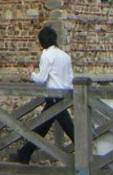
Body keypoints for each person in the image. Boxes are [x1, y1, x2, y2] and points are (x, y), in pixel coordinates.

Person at [13, 24, 74, 164]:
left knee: (69, 131)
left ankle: (87, 157)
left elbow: (42, 79)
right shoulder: (65, 56)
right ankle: (24, 154)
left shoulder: (47, 55)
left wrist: (31, 73)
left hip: (53, 97)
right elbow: (71, 79)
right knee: (42, 127)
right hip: (64, 96)